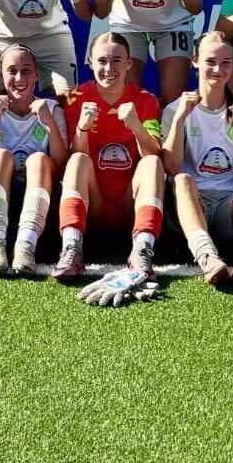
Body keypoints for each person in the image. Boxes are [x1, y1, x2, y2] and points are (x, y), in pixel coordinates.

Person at [161, 31, 233, 284]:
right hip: (189, 205)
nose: (218, 69)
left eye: (225, 63)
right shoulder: (174, 110)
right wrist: (179, 120)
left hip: (230, 206)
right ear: (195, 61)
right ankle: (207, 257)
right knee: (181, 180)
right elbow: (171, 166)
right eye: (210, 61)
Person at [53, 31, 165, 281]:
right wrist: (82, 128)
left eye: (116, 60)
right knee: (77, 161)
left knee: (152, 163)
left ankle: (142, 249)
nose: (108, 68)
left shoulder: (145, 99)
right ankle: (71, 247)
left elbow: (154, 153)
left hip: (129, 205)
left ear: (128, 64)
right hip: (94, 204)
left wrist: (136, 126)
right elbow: (73, 159)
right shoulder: (77, 98)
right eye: (101, 61)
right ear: (90, 63)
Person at [0, 43, 69, 276]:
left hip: (42, 205)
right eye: (11, 71)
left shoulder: (52, 108)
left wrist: (49, 122)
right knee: (1, 156)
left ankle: (26, 245)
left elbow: (62, 165)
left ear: (36, 74)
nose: (19, 77)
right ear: (1, 75)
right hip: (1, 200)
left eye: (26, 71)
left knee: (38, 160)